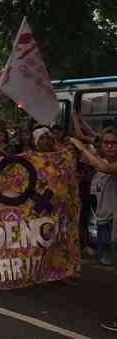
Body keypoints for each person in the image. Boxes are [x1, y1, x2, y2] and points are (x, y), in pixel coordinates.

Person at [69, 129, 117, 332]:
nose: (110, 146)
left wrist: (81, 147)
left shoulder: (109, 165)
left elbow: (103, 166)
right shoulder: (104, 159)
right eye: (107, 142)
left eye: (115, 143)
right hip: (108, 221)